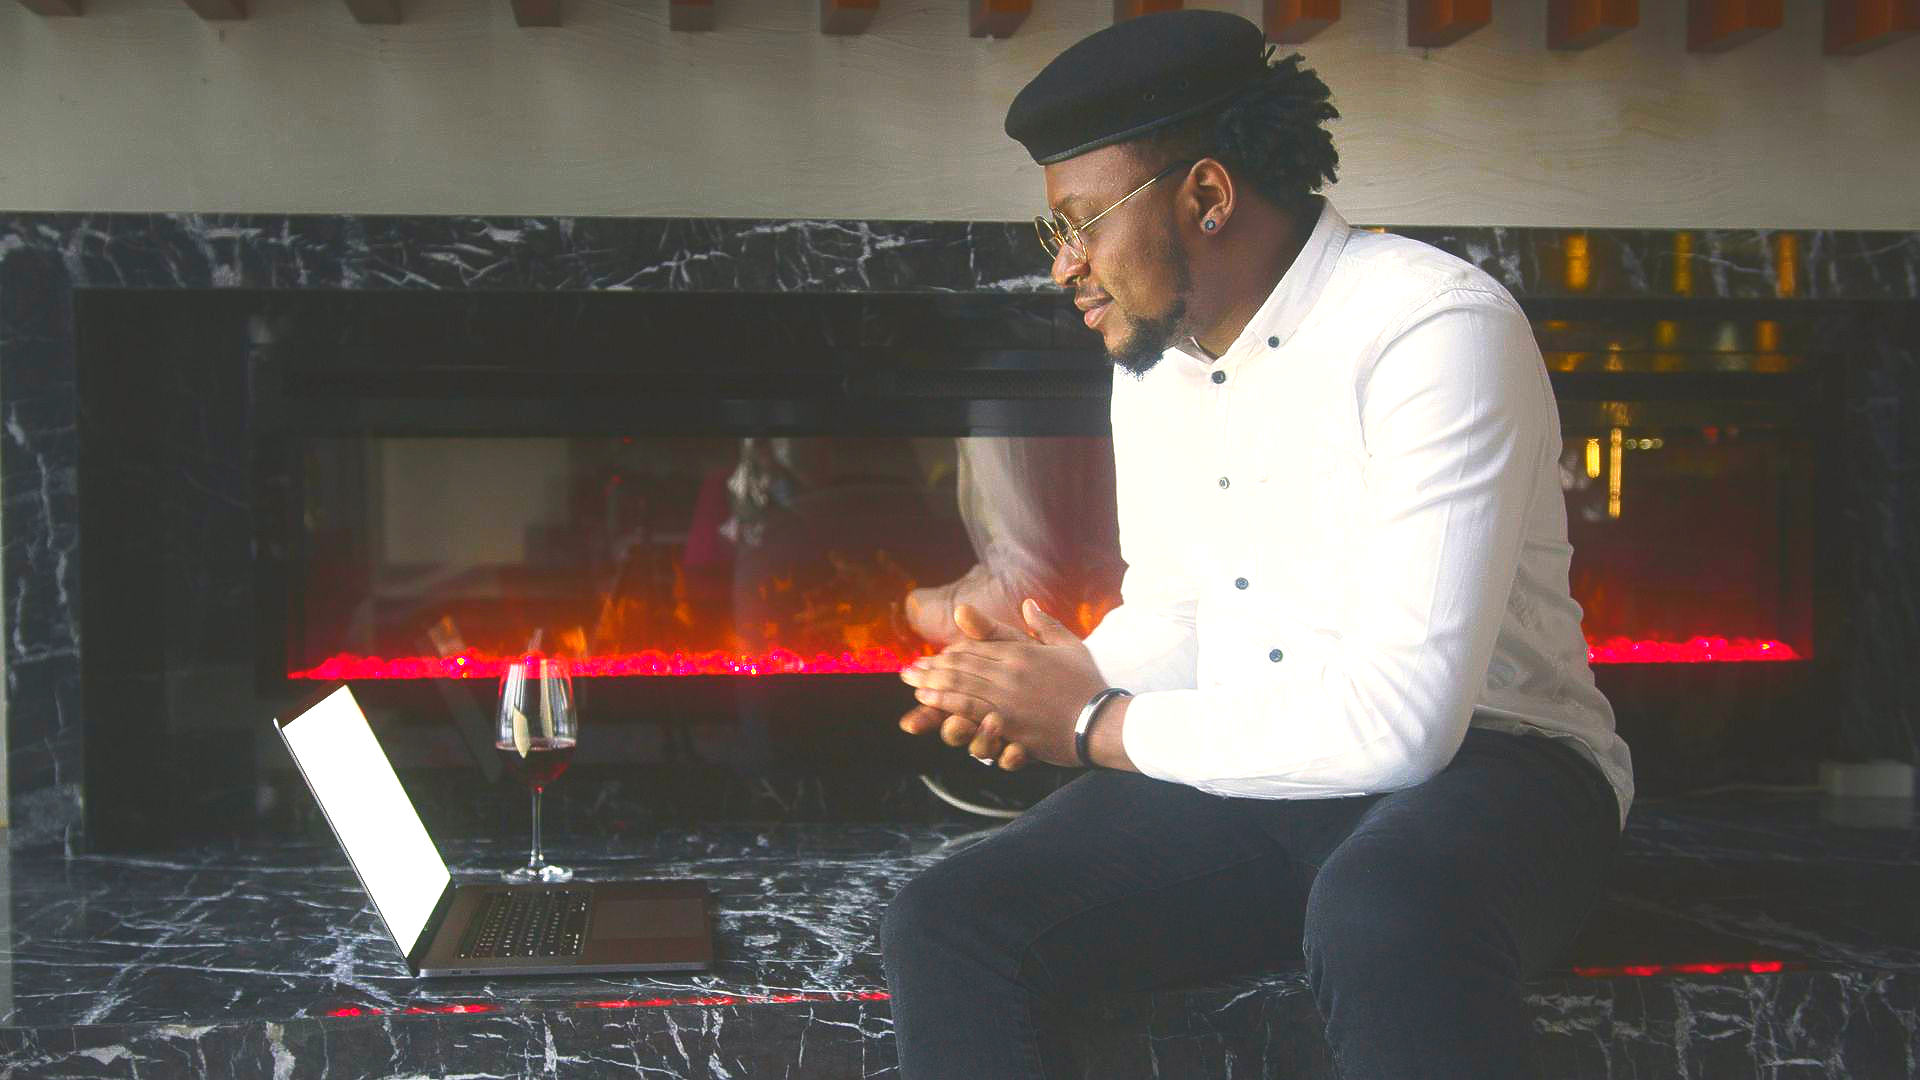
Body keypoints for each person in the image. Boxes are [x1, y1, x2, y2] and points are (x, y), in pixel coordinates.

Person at [882, 11, 1634, 1079]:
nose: (1067, 267)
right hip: (1256, 769)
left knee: (1382, 912)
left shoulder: (1436, 328)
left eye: (1083, 223)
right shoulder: (1153, 362)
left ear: (1207, 195)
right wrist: (1065, 671)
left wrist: (1092, 720)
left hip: (1499, 769)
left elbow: (1405, 724)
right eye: (1057, 235)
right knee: (947, 919)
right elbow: (1186, 615)